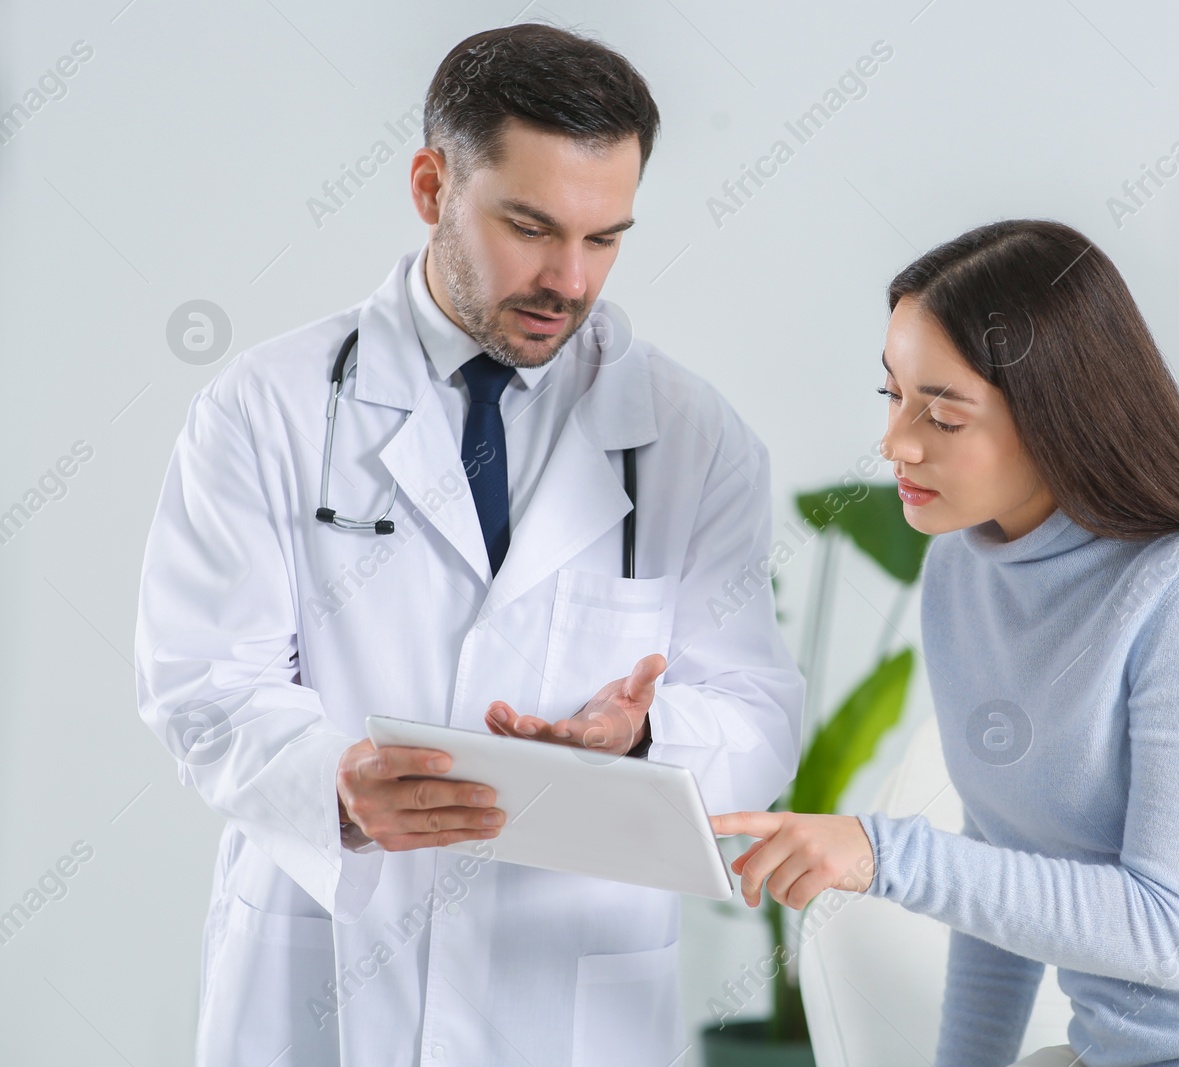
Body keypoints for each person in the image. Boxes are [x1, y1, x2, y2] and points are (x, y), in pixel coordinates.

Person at [135, 23, 803, 1067]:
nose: (570, 282)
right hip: (327, 971)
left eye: (605, 237)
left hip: (567, 989)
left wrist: (640, 738)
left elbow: (758, 709)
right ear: (430, 184)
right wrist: (336, 784)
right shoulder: (267, 408)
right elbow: (203, 683)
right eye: (530, 227)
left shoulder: (692, 437)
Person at [711, 220, 1179, 1067]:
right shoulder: (959, 571)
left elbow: (1168, 929)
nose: (896, 443)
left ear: (1060, 416)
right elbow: (1002, 872)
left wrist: (885, 854)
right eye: (893, 395)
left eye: (944, 414)